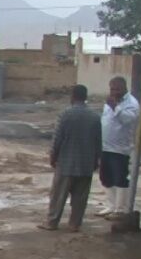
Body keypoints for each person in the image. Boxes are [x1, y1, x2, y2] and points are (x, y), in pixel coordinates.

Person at [38, 84, 102, 232]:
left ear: (72, 96)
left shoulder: (65, 114)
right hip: (86, 163)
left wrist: (53, 156)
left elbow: (57, 139)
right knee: (80, 197)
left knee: (59, 195)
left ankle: (52, 222)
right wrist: (97, 160)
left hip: (66, 163)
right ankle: (74, 224)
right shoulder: (94, 116)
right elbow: (99, 141)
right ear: (85, 97)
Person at [97, 76, 140, 219]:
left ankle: (120, 209)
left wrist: (116, 106)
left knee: (120, 177)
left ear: (124, 88)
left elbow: (128, 119)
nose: (113, 91)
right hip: (105, 146)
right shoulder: (109, 101)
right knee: (105, 177)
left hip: (120, 149)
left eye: (116, 89)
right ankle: (111, 205)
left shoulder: (131, 103)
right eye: (111, 89)